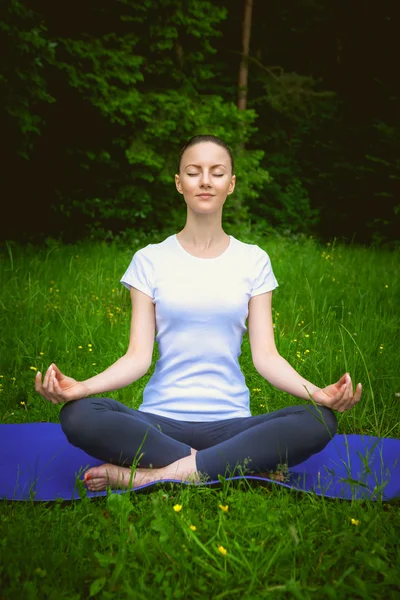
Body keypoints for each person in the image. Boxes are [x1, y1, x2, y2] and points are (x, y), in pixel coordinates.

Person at [35, 134, 362, 492]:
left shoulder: (254, 260)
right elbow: (137, 358)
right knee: (79, 414)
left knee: (319, 419)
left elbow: (267, 357)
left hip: (233, 422)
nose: (205, 180)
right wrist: (82, 387)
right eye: (194, 172)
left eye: (216, 172)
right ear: (179, 183)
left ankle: (151, 476)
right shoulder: (149, 260)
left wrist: (318, 394)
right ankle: (237, 466)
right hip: (159, 422)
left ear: (231, 184)